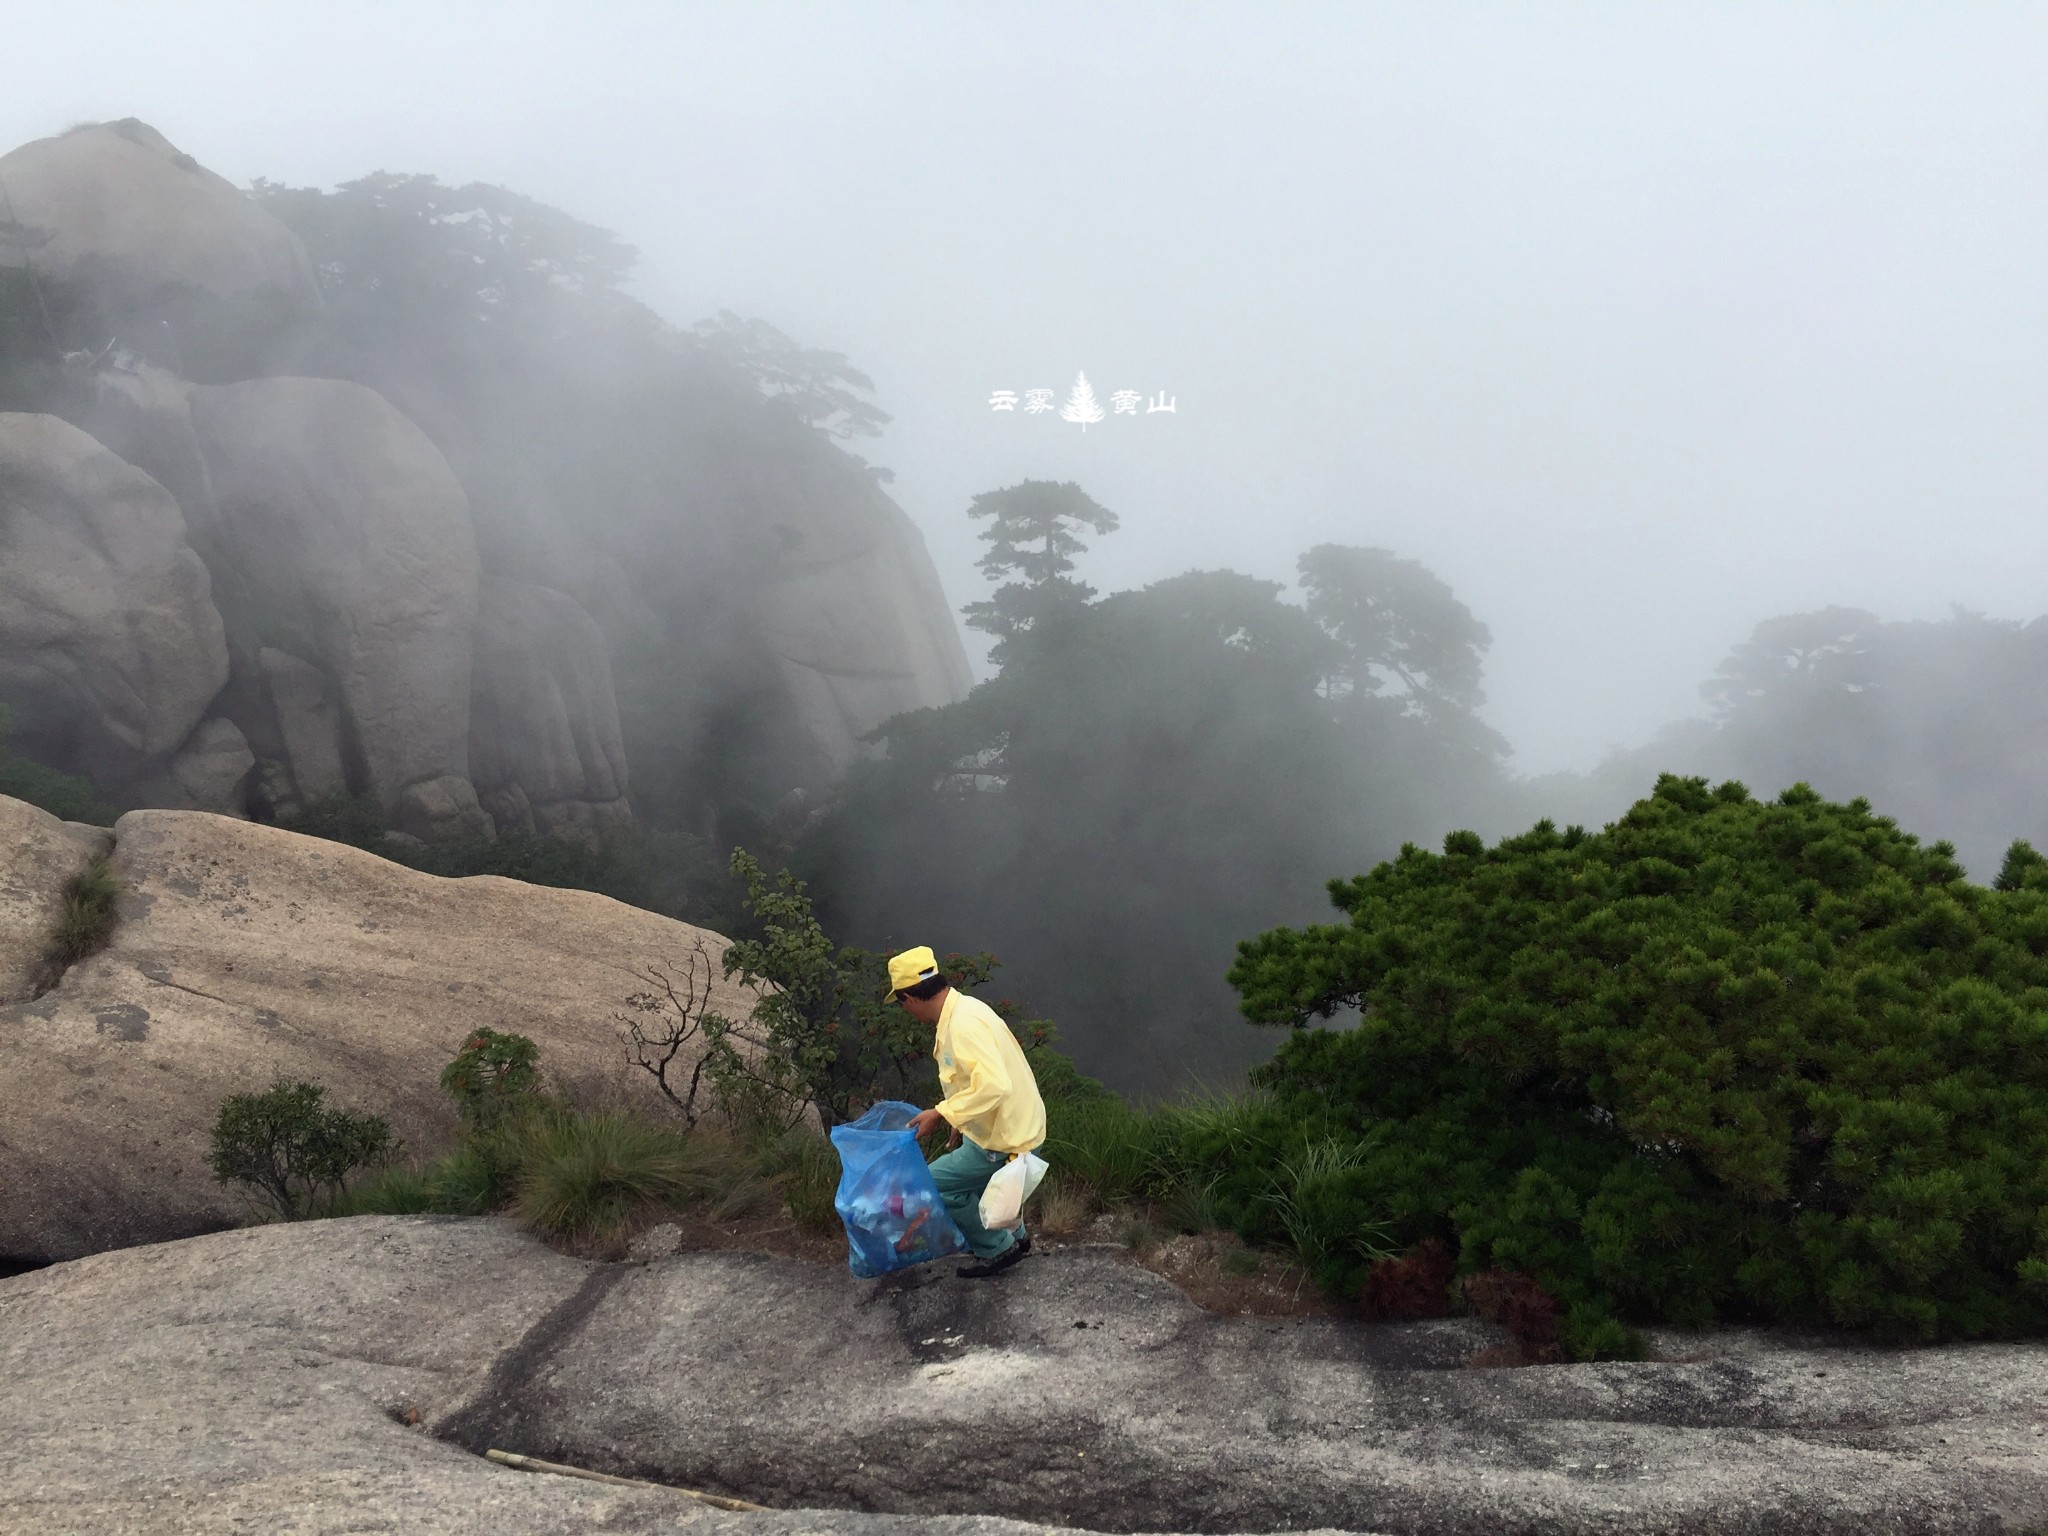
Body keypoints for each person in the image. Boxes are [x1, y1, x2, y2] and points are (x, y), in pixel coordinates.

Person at [888, 945, 1046, 1278]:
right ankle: (1016, 1238)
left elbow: (994, 1086)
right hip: (1006, 1126)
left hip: (1005, 1138)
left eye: (900, 1003)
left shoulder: (962, 1026)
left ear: (909, 998)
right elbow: (974, 1082)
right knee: (974, 1183)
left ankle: (997, 1248)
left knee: (934, 1185)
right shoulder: (963, 1010)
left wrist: (942, 1113)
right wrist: (961, 1119)